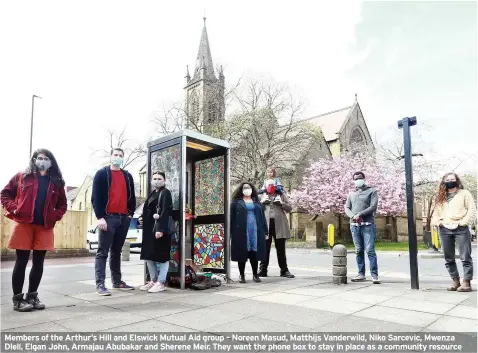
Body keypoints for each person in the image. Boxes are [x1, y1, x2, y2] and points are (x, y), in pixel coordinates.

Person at [1, 149, 67, 312]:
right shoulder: (22, 176)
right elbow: (5, 194)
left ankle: (32, 296)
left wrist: (55, 215)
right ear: (34, 160)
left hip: (44, 226)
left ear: (51, 161)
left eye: (46, 158)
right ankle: (18, 300)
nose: (42, 161)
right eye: (39, 158)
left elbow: (62, 205)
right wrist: (14, 208)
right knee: (21, 261)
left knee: (39, 262)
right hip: (24, 224)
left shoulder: (57, 181)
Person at [91, 148, 136, 295]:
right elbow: (95, 198)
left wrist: (130, 214)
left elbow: (132, 197)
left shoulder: (127, 176)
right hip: (108, 218)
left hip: (124, 218)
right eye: (115, 155)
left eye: (120, 155)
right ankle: (100, 284)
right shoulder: (102, 174)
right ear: (111, 157)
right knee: (102, 252)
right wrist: (100, 217)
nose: (118, 157)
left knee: (116, 251)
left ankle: (117, 282)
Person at [432, 172, 476, 292]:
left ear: (457, 180)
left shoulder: (464, 194)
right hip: (444, 229)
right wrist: (438, 223)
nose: (450, 181)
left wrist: (463, 223)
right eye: (447, 179)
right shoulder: (440, 196)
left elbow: (472, 209)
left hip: (461, 228)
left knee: (465, 256)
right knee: (448, 257)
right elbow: (435, 213)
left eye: (452, 179)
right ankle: (455, 280)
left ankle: (466, 282)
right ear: (444, 182)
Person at [138, 171, 173, 293]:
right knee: (149, 255)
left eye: (159, 178)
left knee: (162, 256)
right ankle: (153, 280)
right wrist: (141, 218)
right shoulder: (153, 193)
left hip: (159, 229)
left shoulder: (165, 193)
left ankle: (161, 282)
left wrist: (160, 229)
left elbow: (165, 212)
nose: (156, 180)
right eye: (154, 178)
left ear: (164, 180)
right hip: (149, 230)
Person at [345, 171, 380, 284]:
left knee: (370, 250)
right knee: (358, 250)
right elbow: (347, 208)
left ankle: (374, 275)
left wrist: (360, 214)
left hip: (368, 224)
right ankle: (361, 274)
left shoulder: (372, 191)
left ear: (364, 178)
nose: (358, 180)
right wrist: (353, 216)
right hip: (354, 225)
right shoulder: (351, 193)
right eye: (355, 178)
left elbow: (373, 206)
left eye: (360, 178)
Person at [230, 182, 268, 283]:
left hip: (255, 230)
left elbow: (263, 218)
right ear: (241, 190)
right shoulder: (235, 203)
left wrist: (265, 231)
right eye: (245, 188)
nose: (248, 189)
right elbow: (231, 219)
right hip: (241, 230)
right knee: (241, 252)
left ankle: (255, 275)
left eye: (249, 188)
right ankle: (242, 275)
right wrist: (230, 232)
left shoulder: (257, 202)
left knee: (254, 252)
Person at [258, 179, 295, 278]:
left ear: (275, 186)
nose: (271, 186)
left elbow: (290, 208)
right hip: (265, 225)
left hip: (279, 225)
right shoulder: (261, 196)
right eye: (269, 185)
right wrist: (261, 202)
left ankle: (284, 271)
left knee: (281, 249)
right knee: (265, 248)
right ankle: (262, 270)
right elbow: (254, 209)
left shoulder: (281, 195)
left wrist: (282, 203)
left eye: (272, 185)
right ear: (265, 186)